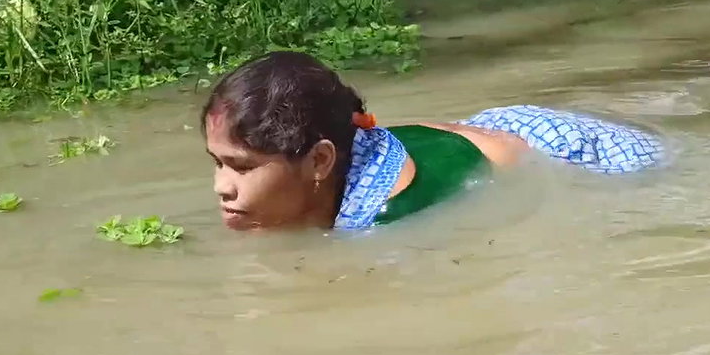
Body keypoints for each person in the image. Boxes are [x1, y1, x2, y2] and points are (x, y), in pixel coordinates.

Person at [201, 51, 665, 232]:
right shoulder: (339, 152)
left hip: (572, 150)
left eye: (241, 167)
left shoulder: (389, 214)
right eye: (218, 163)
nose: (222, 185)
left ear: (320, 161)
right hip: (484, 131)